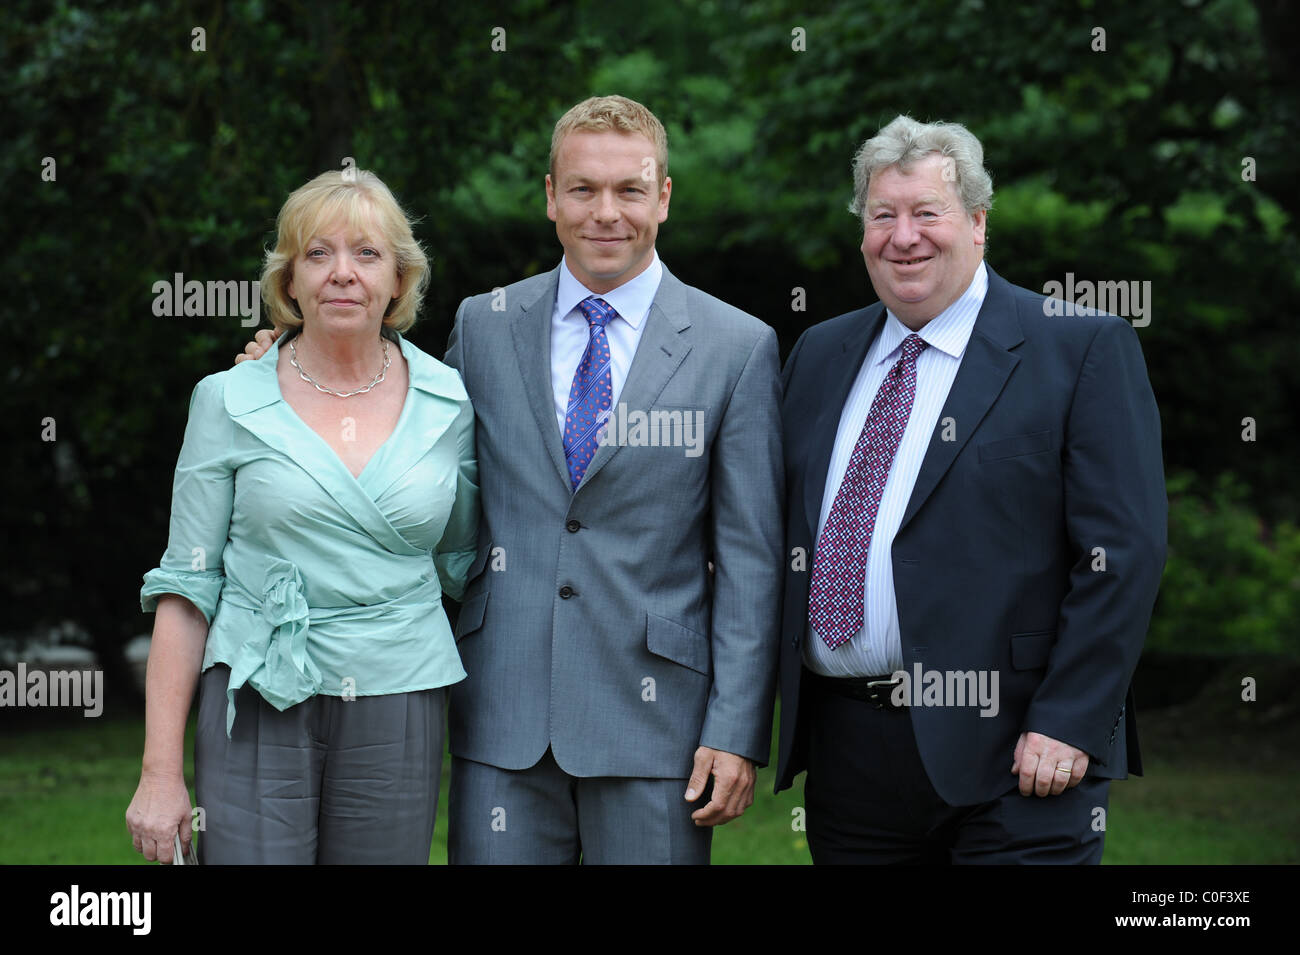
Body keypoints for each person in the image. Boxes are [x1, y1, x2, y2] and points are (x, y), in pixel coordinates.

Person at [241, 95, 784, 864]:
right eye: (582, 189)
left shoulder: (737, 345)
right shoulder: (484, 324)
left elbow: (753, 559)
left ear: (662, 198)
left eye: (629, 190)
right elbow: (398, 428)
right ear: (550, 196)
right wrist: (284, 367)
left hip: (656, 723)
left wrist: (734, 731)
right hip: (502, 714)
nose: (605, 212)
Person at [774, 115, 1167, 863]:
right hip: (848, 755)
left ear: (978, 222)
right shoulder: (820, 354)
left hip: (1018, 754)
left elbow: (1125, 552)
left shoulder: (1078, 346)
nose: (904, 235)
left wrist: (1070, 718)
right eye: (883, 214)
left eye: (928, 212)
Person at [126, 169, 478, 864]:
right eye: (318, 254)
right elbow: (186, 590)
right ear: (288, 280)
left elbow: (468, 561)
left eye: (367, 254)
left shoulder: (450, 401)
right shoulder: (226, 399)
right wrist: (159, 775)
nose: (342, 273)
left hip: (399, 690)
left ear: (400, 280)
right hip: (258, 688)